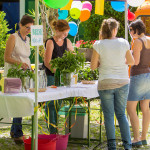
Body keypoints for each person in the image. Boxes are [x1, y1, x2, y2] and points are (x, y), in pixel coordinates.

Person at [90, 18, 134, 150]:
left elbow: (92, 66)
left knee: (109, 116)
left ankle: (112, 147)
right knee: (121, 114)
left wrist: (102, 62)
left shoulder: (98, 44)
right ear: (114, 30)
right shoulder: (123, 42)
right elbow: (131, 61)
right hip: (122, 81)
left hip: (105, 82)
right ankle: (128, 146)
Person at [4, 15, 34, 144]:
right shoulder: (13, 37)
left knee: (20, 102)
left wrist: (29, 66)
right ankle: (18, 133)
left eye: (31, 28)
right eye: (27, 27)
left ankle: (14, 129)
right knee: (17, 103)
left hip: (24, 75)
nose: (29, 30)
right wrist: (19, 63)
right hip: (12, 74)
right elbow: (6, 57)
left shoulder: (27, 39)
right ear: (20, 25)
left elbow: (25, 58)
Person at [44, 20, 73, 134]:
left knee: (59, 102)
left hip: (63, 77)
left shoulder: (67, 42)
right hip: (52, 75)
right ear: (57, 30)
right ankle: (52, 130)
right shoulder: (50, 42)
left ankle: (55, 126)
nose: (65, 36)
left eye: (67, 34)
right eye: (64, 33)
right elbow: (47, 62)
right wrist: (57, 72)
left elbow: (72, 56)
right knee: (51, 103)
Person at [127, 19, 150, 147]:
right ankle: (144, 137)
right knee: (145, 108)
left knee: (130, 108)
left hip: (138, 76)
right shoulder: (149, 39)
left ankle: (136, 138)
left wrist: (127, 57)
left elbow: (135, 62)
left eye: (131, 30)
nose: (130, 33)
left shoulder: (137, 42)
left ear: (136, 30)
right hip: (148, 75)